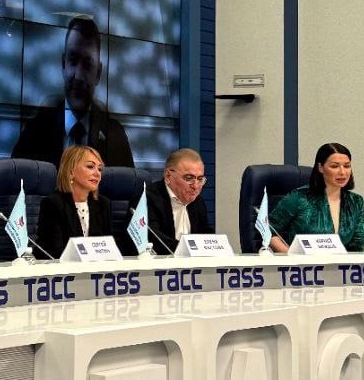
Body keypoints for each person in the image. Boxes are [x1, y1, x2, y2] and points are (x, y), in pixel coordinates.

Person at [11, 15, 134, 168]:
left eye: (87, 65)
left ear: (98, 73)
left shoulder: (116, 137)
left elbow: (128, 183)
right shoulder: (35, 132)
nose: (78, 76)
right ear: (64, 64)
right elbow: (15, 181)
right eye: (73, 60)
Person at [268, 142, 364, 253]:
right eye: (334, 166)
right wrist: (291, 256)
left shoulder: (356, 202)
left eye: (347, 166)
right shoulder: (299, 197)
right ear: (320, 167)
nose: (342, 172)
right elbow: (269, 231)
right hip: (302, 262)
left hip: (341, 263)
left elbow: (357, 246)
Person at [34, 146, 112, 259]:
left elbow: (108, 250)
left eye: (100, 169)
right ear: (71, 172)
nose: (97, 174)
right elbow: (53, 253)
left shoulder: (103, 204)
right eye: (90, 166)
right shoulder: (53, 204)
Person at [136, 147, 213, 255]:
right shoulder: (146, 198)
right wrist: (190, 250)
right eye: (189, 178)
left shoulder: (197, 202)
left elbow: (205, 234)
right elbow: (153, 240)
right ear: (168, 176)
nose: (195, 186)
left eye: (200, 179)